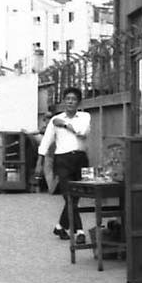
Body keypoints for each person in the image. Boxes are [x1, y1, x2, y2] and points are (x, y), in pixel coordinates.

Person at [36, 87, 90, 244]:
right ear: (64, 101)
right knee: (69, 195)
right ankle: (79, 231)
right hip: (63, 161)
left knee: (77, 195)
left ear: (79, 102)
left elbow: (82, 132)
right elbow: (46, 141)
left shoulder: (85, 116)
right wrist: (39, 162)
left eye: (73, 99)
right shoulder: (55, 120)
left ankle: (60, 226)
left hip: (80, 159)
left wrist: (65, 124)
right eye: (68, 99)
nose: (70, 102)